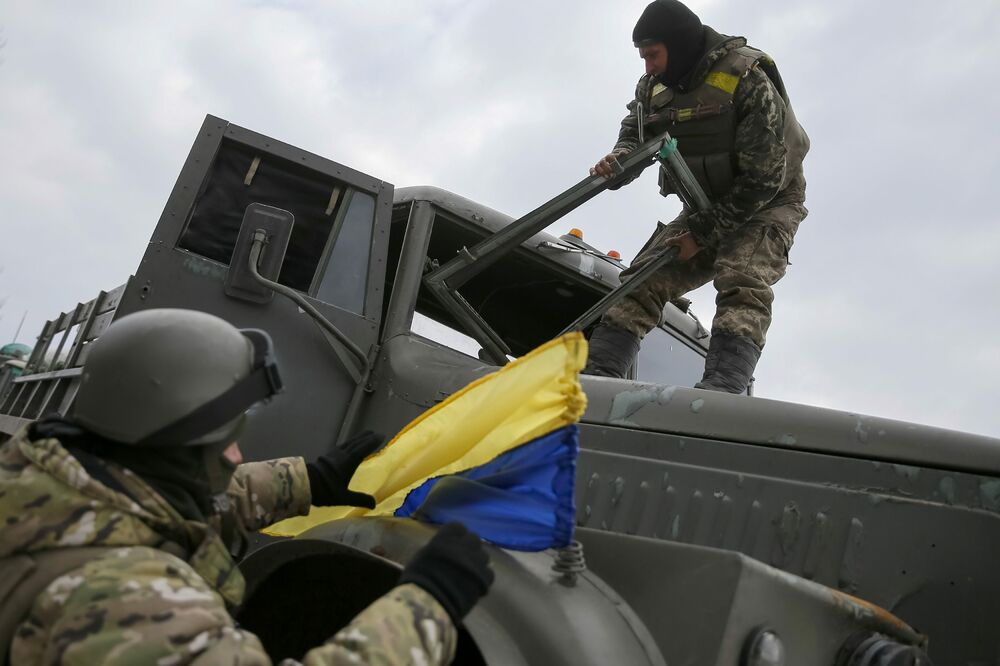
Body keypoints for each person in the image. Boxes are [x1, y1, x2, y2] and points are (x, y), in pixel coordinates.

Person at [0, 308, 493, 665]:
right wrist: (428, 605)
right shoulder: (128, 599)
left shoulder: (43, 482)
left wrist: (305, 482)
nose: (237, 457)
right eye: (223, 446)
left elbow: (143, 514)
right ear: (171, 449)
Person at [585, 0, 809, 393]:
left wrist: (701, 235)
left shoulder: (747, 79)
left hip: (768, 202)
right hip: (705, 203)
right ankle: (597, 380)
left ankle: (723, 390)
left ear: (679, 46)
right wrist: (621, 158)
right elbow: (636, 128)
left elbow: (764, 179)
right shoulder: (654, 87)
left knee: (742, 278)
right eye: (643, 57)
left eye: (653, 55)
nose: (648, 67)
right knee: (644, 277)